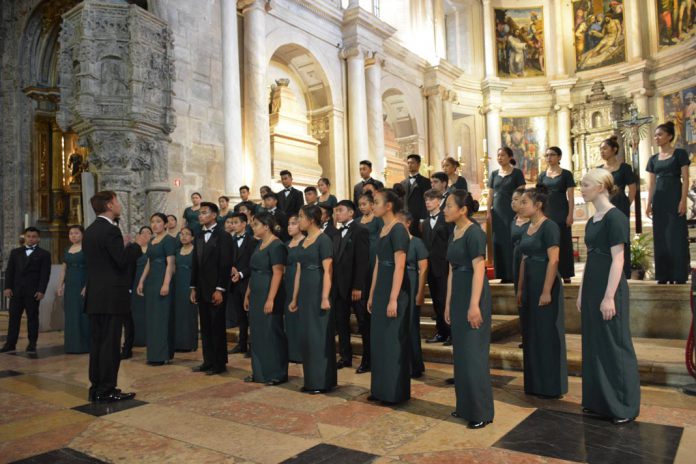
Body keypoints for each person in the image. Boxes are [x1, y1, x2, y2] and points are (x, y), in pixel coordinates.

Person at [577, 169, 640, 425]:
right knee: (593, 344)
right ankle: (598, 401)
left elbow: (619, 259)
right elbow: (590, 257)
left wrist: (609, 297)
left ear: (602, 186)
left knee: (615, 345)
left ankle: (624, 405)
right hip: (592, 285)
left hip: (609, 288)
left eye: (586, 185)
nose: (582, 189)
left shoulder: (616, 217)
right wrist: (582, 292)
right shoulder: (593, 220)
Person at [82, 191, 144, 402]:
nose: (119, 205)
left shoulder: (89, 231)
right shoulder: (110, 230)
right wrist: (136, 245)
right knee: (110, 345)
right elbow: (121, 261)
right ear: (109, 205)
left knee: (98, 344)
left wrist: (122, 245)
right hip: (111, 297)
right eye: (117, 201)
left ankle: (96, 387)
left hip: (95, 297)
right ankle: (107, 390)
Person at [443, 189, 494, 429]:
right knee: (461, 355)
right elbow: (453, 269)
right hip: (459, 293)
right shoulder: (454, 231)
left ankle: (481, 411)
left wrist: (474, 305)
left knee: (473, 355)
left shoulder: (474, 232)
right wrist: (448, 302)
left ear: (463, 209)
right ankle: (465, 406)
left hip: (474, 293)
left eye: (449, 206)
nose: (445, 209)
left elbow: (479, 269)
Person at [517, 186, 568, 399]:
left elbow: (554, 259)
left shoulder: (550, 227)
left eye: (524, 202)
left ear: (538, 205)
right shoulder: (526, 227)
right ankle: (534, 383)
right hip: (529, 283)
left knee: (546, 334)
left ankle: (550, 385)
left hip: (544, 283)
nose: (520, 206)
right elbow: (523, 258)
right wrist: (520, 288)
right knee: (531, 334)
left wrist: (547, 290)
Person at [367, 189, 411, 404]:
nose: (372, 205)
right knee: (379, 341)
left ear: (389, 206)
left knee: (393, 342)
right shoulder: (382, 228)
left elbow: (400, 266)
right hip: (381, 289)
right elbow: (378, 263)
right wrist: (373, 294)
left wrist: (393, 298)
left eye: (376, 202)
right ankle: (380, 389)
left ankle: (394, 393)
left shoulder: (398, 230)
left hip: (395, 290)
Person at [289, 205, 336, 393]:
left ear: (311, 219)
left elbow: (328, 271)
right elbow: (299, 272)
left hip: (318, 290)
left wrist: (325, 297)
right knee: (307, 337)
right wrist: (294, 298)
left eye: (300, 217)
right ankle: (310, 379)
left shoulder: (323, 240)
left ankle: (322, 381)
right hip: (305, 293)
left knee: (319, 337)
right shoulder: (303, 242)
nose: (298, 220)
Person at [244, 212, 288, 384]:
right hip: (255, 292)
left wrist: (270, 299)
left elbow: (278, 272)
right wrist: (248, 292)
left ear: (266, 226)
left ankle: (277, 373)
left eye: (255, 225)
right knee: (257, 333)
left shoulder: (277, 245)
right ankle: (260, 373)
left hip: (270, 293)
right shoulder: (259, 244)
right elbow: (254, 270)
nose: (252, 227)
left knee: (272, 332)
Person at [190, 202, 234, 375]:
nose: (200, 216)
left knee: (217, 326)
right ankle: (208, 360)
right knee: (206, 327)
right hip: (201, 287)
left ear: (214, 215)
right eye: (199, 213)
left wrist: (220, 289)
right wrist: (193, 287)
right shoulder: (199, 235)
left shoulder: (224, 236)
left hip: (216, 288)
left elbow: (225, 264)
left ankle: (219, 362)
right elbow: (195, 263)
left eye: (204, 213)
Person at [646, 121, 691, 284]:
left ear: (669, 136)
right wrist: (648, 203)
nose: (656, 137)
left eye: (660, 134)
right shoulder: (652, 159)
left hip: (674, 196)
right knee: (661, 237)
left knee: (676, 236)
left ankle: (678, 274)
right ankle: (663, 275)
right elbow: (651, 184)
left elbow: (686, 179)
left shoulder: (679, 154)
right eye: (655, 135)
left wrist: (683, 201)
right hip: (659, 199)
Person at [333, 200, 371, 372]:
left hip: (355, 287)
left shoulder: (361, 230)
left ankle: (368, 360)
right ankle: (345, 357)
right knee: (341, 323)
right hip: (339, 287)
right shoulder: (336, 232)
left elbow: (362, 261)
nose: (337, 214)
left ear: (350, 213)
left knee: (363, 323)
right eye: (335, 211)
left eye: (340, 211)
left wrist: (358, 286)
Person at [1, 227, 51, 353]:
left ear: (38, 239)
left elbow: (45, 274)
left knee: (32, 318)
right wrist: (7, 287)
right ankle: (10, 344)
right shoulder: (15, 252)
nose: (31, 239)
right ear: (24, 237)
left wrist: (41, 290)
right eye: (28, 236)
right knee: (14, 318)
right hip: (16, 291)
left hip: (33, 291)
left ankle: (32, 343)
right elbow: (10, 271)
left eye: (34, 236)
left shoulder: (44, 254)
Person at [137, 213, 176, 365]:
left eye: (158, 221)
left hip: (162, 280)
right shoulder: (152, 240)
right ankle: (153, 354)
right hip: (151, 282)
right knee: (152, 319)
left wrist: (166, 284)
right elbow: (148, 262)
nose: (154, 225)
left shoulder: (169, 240)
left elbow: (171, 263)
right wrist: (141, 281)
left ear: (165, 224)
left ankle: (163, 355)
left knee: (161, 318)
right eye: (152, 221)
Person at [598, 136, 636, 278]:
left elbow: (632, 188)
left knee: (621, 237)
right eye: (600, 149)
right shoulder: (599, 169)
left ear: (614, 149)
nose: (602, 152)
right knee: (605, 236)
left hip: (620, 203)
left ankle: (623, 270)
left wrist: (626, 204)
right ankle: (608, 269)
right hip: (604, 204)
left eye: (605, 148)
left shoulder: (624, 168)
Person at [537, 147, 576, 283]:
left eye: (552, 155)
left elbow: (570, 197)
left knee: (563, 242)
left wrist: (570, 215)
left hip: (562, 211)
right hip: (547, 212)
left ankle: (566, 273)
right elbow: (538, 197)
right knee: (548, 242)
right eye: (546, 155)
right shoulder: (542, 175)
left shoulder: (566, 174)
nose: (549, 157)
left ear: (559, 157)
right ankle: (551, 273)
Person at [488, 147, 526, 283]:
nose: (499, 158)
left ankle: (514, 272)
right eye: (498, 155)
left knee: (512, 240)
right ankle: (503, 273)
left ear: (510, 157)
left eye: (502, 155)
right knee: (499, 241)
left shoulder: (517, 173)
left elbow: (522, 194)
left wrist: (520, 211)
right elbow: (491, 194)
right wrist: (488, 211)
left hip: (511, 211)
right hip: (497, 212)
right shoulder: (493, 174)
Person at [398, 212, 428, 379]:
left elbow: (423, 268)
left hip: (411, 281)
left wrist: (420, 292)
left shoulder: (416, 242)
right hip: (399, 283)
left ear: (408, 223)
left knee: (411, 325)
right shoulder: (397, 242)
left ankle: (415, 365)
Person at [422, 189, 452, 346]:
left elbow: (449, 242)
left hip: (444, 265)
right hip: (430, 267)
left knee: (445, 300)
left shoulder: (446, 219)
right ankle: (441, 331)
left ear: (439, 201)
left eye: (431, 199)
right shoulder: (425, 222)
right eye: (426, 199)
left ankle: (451, 332)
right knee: (436, 301)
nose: (427, 202)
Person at [57, 225, 90, 354]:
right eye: (71, 233)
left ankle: (85, 345)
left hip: (82, 283)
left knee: (83, 314)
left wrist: (88, 286)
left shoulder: (88, 249)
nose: (73, 236)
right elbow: (63, 269)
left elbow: (92, 269)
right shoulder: (67, 249)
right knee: (71, 314)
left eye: (76, 233)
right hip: (70, 285)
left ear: (82, 234)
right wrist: (60, 286)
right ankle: (72, 345)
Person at [228, 213, 258, 356]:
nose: (233, 225)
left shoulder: (252, 241)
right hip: (233, 283)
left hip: (247, 281)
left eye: (236, 222)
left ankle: (253, 345)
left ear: (244, 224)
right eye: (231, 222)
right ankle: (241, 344)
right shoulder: (230, 241)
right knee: (239, 315)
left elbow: (253, 263)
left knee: (250, 316)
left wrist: (240, 273)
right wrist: (231, 269)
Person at [122, 226, 152, 359]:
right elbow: (127, 268)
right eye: (143, 233)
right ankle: (132, 343)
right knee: (132, 316)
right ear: (138, 236)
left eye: (148, 233)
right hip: (134, 286)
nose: (145, 235)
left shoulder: (155, 248)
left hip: (151, 285)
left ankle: (150, 340)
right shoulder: (132, 248)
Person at [173, 227, 198, 352]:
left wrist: (195, 288)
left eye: (187, 234)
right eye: (181, 234)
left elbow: (199, 271)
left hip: (190, 284)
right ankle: (178, 343)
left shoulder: (196, 251)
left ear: (193, 237)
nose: (184, 236)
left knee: (189, 314)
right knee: (178, 313)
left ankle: (189, 343)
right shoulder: (176, 251)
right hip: (177, 284)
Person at [284, 214, 304, 363]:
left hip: (301, 282)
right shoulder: (285, 244)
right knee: (289, 319)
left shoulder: (306, 242)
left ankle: (301, 353)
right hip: (287, 283)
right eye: (289, 224)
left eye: (293, 223)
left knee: (300, 318)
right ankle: (291, 352)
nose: (290, 226)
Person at [400, 154, 431, 237]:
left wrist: (422, 219)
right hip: (405, 219)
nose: (409, 165)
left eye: (412, 163)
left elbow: (427, 201)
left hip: (418, 219)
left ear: (418, 164)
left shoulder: (426, 181)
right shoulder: (402, 183)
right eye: (408, 163)